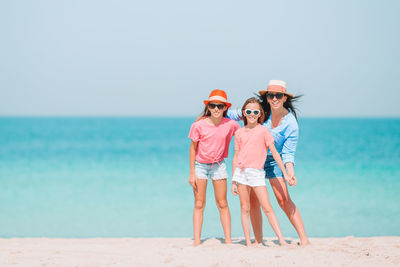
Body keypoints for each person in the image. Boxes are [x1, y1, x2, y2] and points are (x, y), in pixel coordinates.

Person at [227, 80, 310, 245]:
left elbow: (287, 153)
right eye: (271, 95)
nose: (274, 99)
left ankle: (304, 238)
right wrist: (215, 111)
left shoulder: (291, 123)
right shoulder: (260, 110)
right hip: (252, 160)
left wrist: (289, 173)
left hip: (273, 160)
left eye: (278, 95)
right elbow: (235, 114)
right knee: (252, 201)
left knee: (283, 199)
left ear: (285, 97)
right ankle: (258, 240)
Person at [231, 97, 293, 246]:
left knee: (267, 208)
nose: (252, 114)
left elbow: (276, 153)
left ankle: (282, 240)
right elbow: (236, 156)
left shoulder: (264, 131)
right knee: (245, 208)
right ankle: (248, 242)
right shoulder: (239, 133)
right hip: (241, 174)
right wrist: (233, 180)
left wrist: (285, 173)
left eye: (255, 111)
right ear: (244, 113)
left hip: (257, 174)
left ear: (259, 114)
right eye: (248, 111)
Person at [188, 89, 240, 246]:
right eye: (213, 105)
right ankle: (197, 241)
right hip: (200, 167)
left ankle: (228, 240)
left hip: (219, 166)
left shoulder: (231, 125)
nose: (216, 109)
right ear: (208, 107)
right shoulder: (198, 125)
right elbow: (192, 149)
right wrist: (191, 173)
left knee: (222, 203)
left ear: (225, 108)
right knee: (199, 203)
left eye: (220, 106)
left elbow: (246, 133)